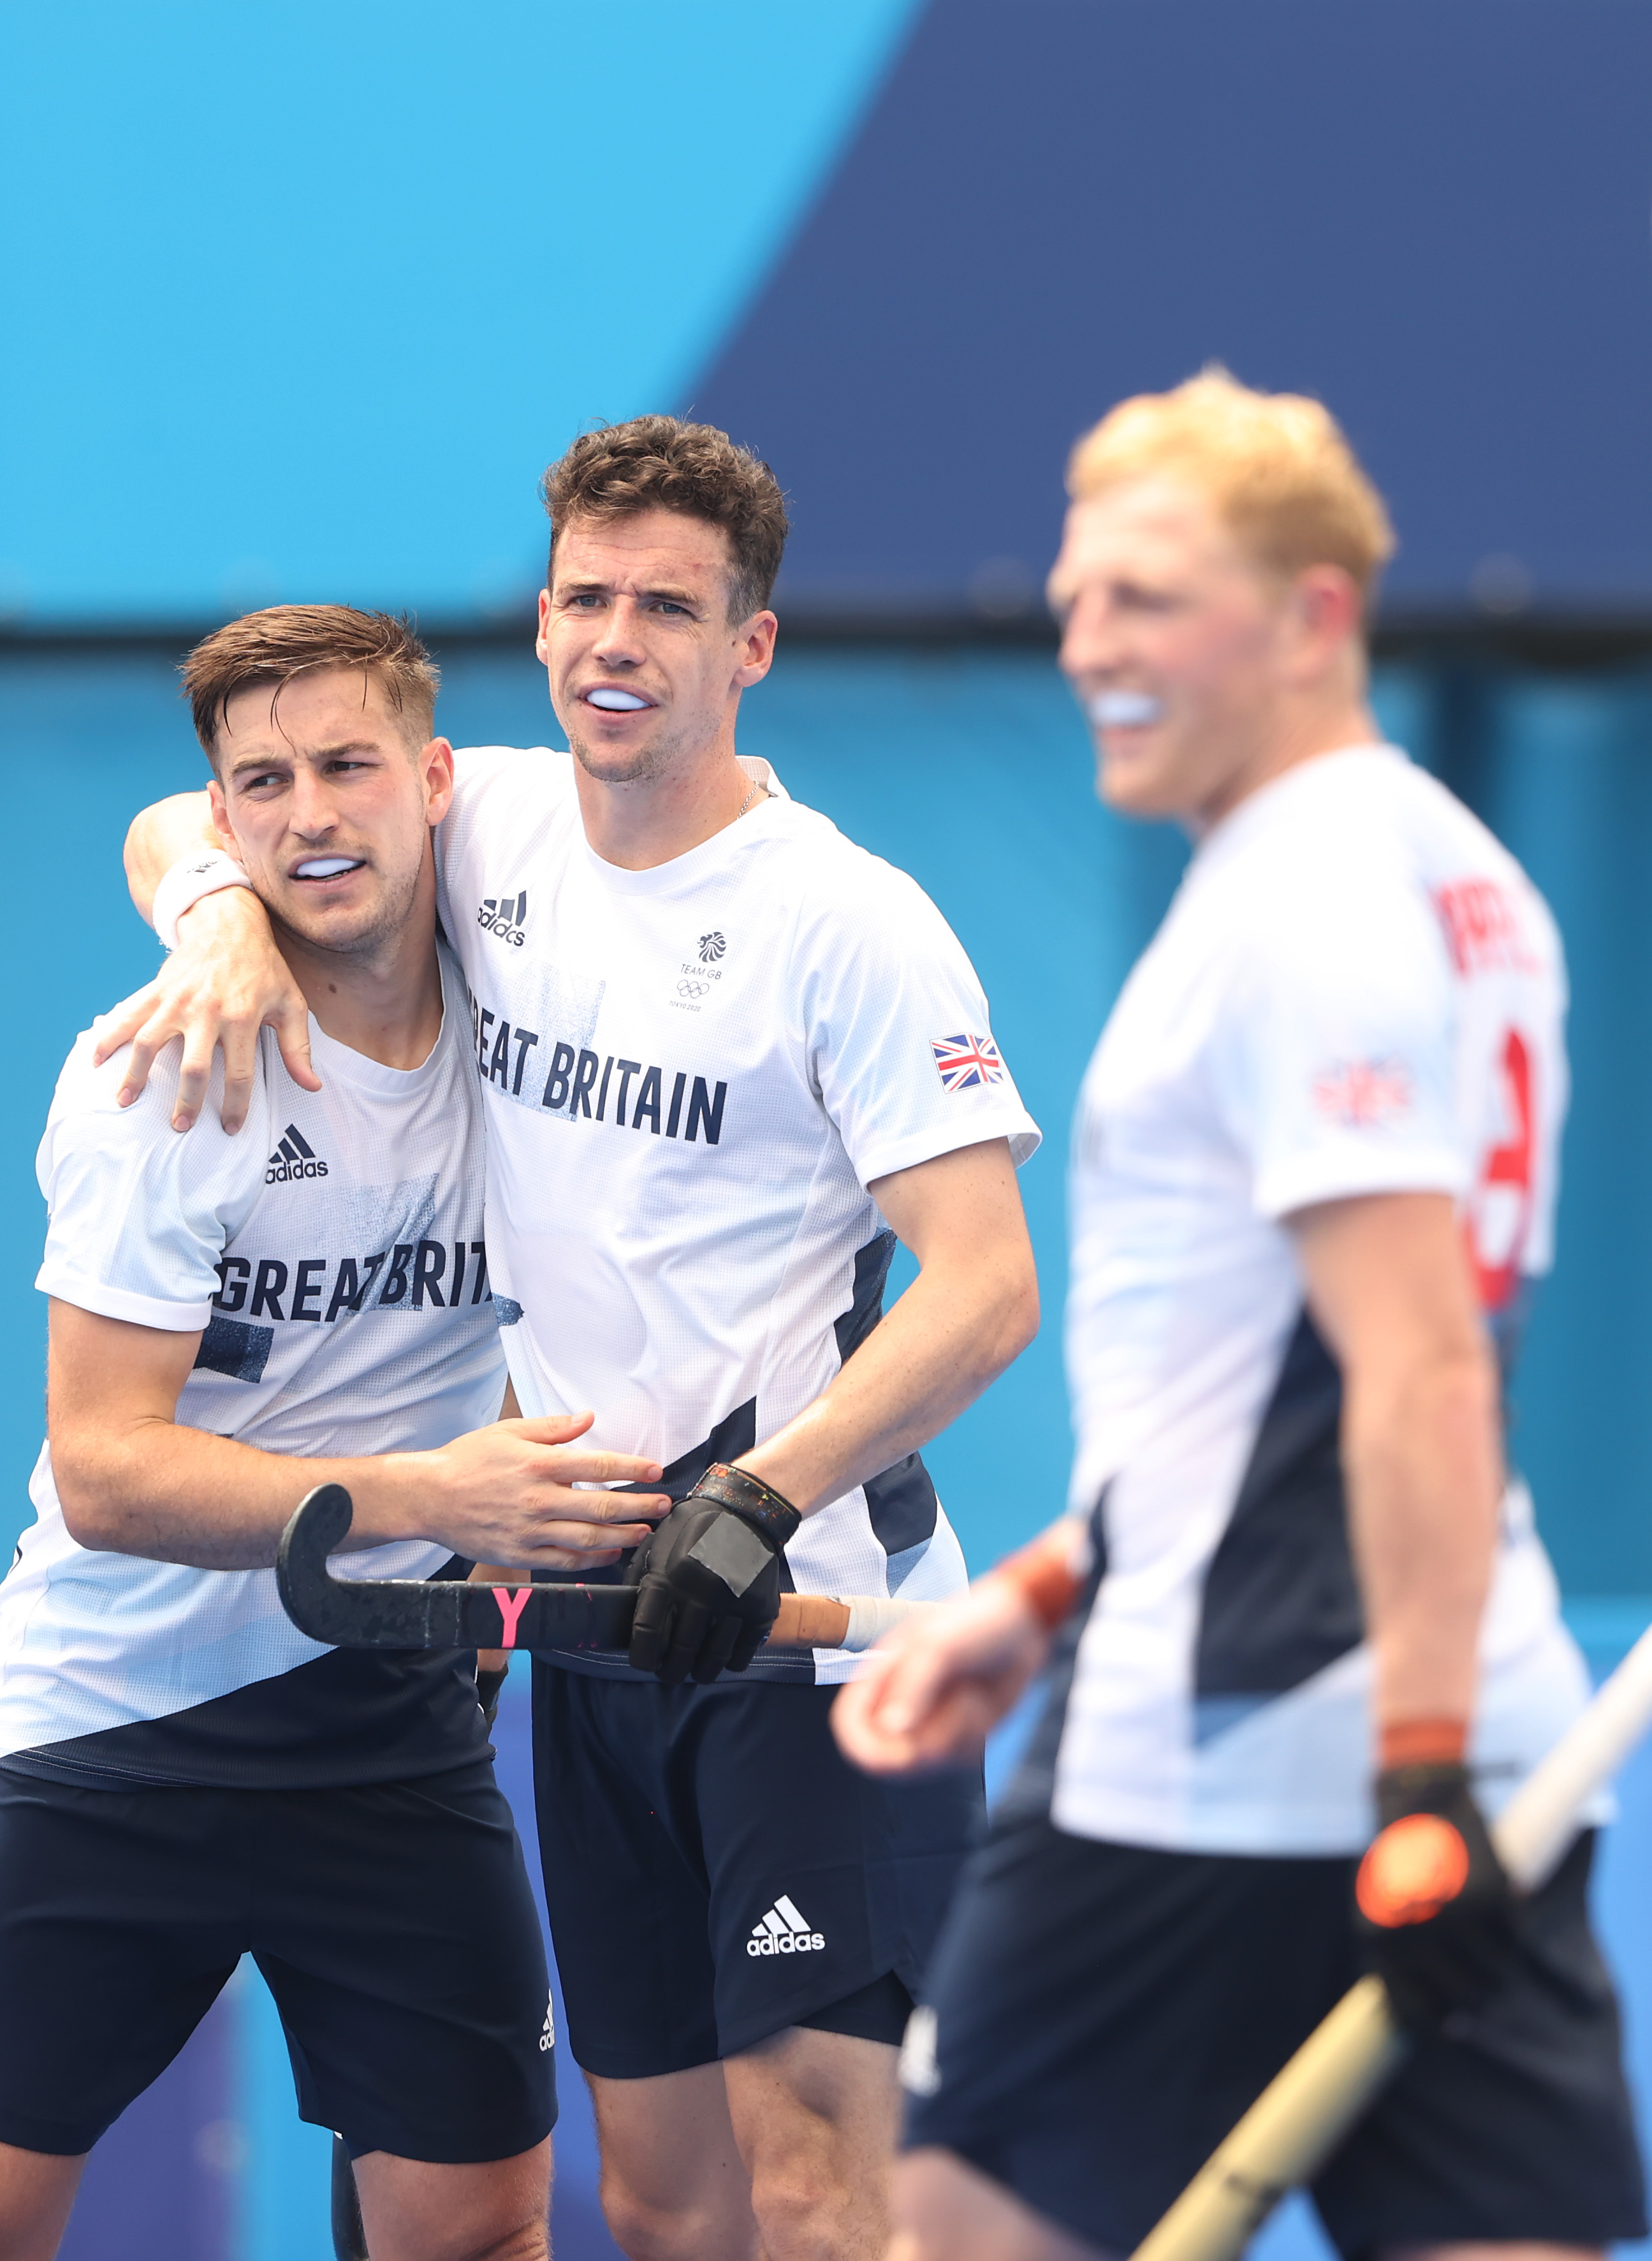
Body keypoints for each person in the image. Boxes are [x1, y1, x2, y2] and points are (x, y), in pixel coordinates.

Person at [103, 418, 1042, 2261]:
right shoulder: (491, 826)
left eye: (669, 608)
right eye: (587, 598)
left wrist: (761, 1497)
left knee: (817, 2191)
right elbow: (185, 814)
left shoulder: (844, 926)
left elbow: (986, 1281)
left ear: (746, 648)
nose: (619, 638)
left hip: (799, 1623)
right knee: (673, 2211)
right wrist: (213, 913)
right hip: (590, 1619)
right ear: (538, 626)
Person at [833, 370, 1650, 2261]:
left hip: (1234, 1764)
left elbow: (1417, 1361)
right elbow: (1251, 1379)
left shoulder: (1305, 909)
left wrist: (1412, 1776)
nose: (1086, 646)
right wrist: (1053, 1588)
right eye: (1072, 601)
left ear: (1311, 618)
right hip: (1440, 1728)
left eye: (1145, 599)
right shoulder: (1460, 879)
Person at [0, 605, 672, 2261]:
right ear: (228, 819)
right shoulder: (161, 1075)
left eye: (345, 765)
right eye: (262, 784)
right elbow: (103, 1471)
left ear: (434, 778)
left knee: (478, 2231)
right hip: (108, 1717)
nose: (310, 810)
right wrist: (424, 1494)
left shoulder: (533, 1023)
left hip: (381, 1723)